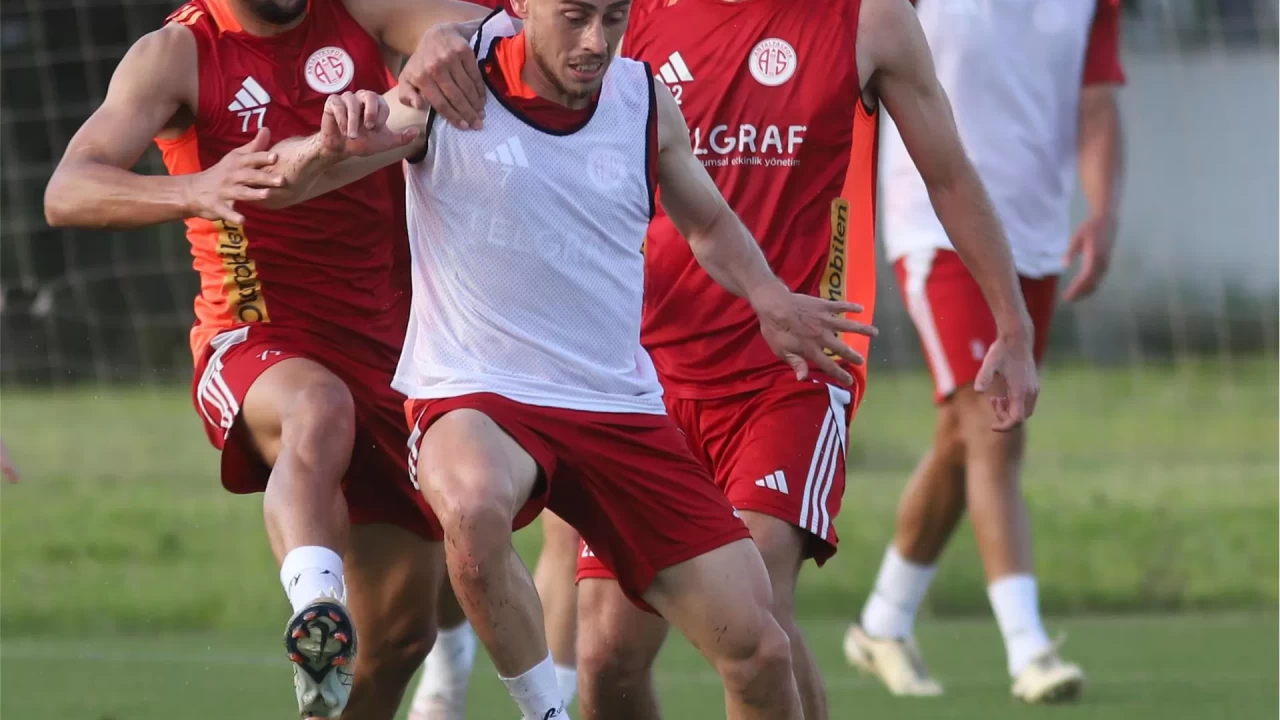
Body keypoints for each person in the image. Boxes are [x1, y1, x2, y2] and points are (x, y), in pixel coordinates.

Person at [260, 3, 880, 717]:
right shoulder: (448, 87)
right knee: (472, 505)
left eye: (613, 17)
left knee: (760, 651)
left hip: (618, 408)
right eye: (575, 16)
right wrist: (325, 149)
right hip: (479, 392)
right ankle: (544, 710)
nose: (596, 41)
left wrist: (768, 295)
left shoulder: (643, 101)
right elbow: (289, 184)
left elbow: (707, 222)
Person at [41, 0, 495, 717]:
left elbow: (514, 29)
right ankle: (316, 605)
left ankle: (337, 655)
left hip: (394, 347)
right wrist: (193, 189)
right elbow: (67, 190)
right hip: (254, 335)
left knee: (398, 642)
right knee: (318, 407)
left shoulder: (358, 9)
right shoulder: (178, 53)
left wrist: (451, 36)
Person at [844, 0, 1125, 704]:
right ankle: (1028, 649)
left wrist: (1102, 212)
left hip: (1034, 237)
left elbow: (1096, 107)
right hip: (933, 228)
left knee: (966, 438)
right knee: (994, 427)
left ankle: (883, 622)